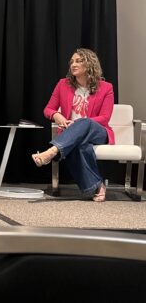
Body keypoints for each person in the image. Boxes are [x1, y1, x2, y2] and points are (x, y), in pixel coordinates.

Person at [32, 48, 113, 202]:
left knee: (84, 122)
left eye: (78, 61)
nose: (73, 65)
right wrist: (57, 115)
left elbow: (104, 118)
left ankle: (52, 151)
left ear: (90, 64)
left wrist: (79, 122)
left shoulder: (106, 87)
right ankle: (98, 185)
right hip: (72, 134)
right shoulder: (63, 84)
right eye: (72, 62)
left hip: (98, 132)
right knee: (80, 145)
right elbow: (48, 109)